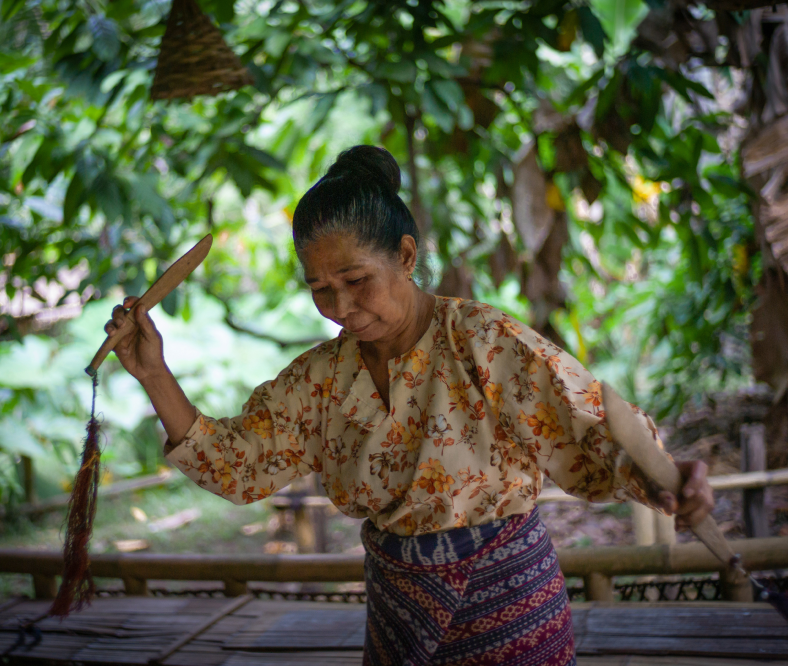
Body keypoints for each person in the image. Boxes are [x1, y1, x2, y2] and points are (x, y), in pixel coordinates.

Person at [105, 145, 715, 666]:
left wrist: (663, 477)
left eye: (355, 279)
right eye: (321, 289)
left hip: (508, 598)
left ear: (405, 255)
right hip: (398, 603)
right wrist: (153, 372)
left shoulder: (481, 339)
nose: (340, 306)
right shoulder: (321, 378)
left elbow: (593, 427)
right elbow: (237, 465)